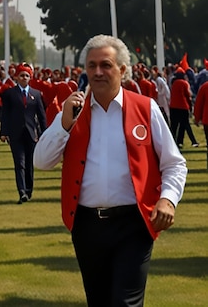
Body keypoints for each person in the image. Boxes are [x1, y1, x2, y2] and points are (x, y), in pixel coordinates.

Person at [34, 34, 187, 307]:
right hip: (86, 225)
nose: (97, 72)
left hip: (134, 223)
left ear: (123, 70)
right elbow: (42, 161)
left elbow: (174, 163)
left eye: (106, 65)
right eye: (91, 66)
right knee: (99, 301)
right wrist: (64, 124)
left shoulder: (145, 108)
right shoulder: (73, 111)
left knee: (124, 302)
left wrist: (168, 199)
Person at [0, 63, 47, 203]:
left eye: (26, 75)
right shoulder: (9, 94)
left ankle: (29, 190)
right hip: (15, 134)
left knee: (29, 163)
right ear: (16, 77)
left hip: (31, 133)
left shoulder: (36, 94)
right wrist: (4, 132)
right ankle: (21, 191)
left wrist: (44, 133)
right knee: (19, 163)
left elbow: (41, 115)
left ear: (30, 77)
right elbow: (5, 114)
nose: (24, 78)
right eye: (21, 75)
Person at [169, 67, 199, 148]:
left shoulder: (174, 83)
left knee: (174, 126)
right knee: (185, 125)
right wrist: (190, 107)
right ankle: (193, 141)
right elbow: (188, 96)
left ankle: (173, 142)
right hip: (183, 107)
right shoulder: (185, 83)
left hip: (173, 107)